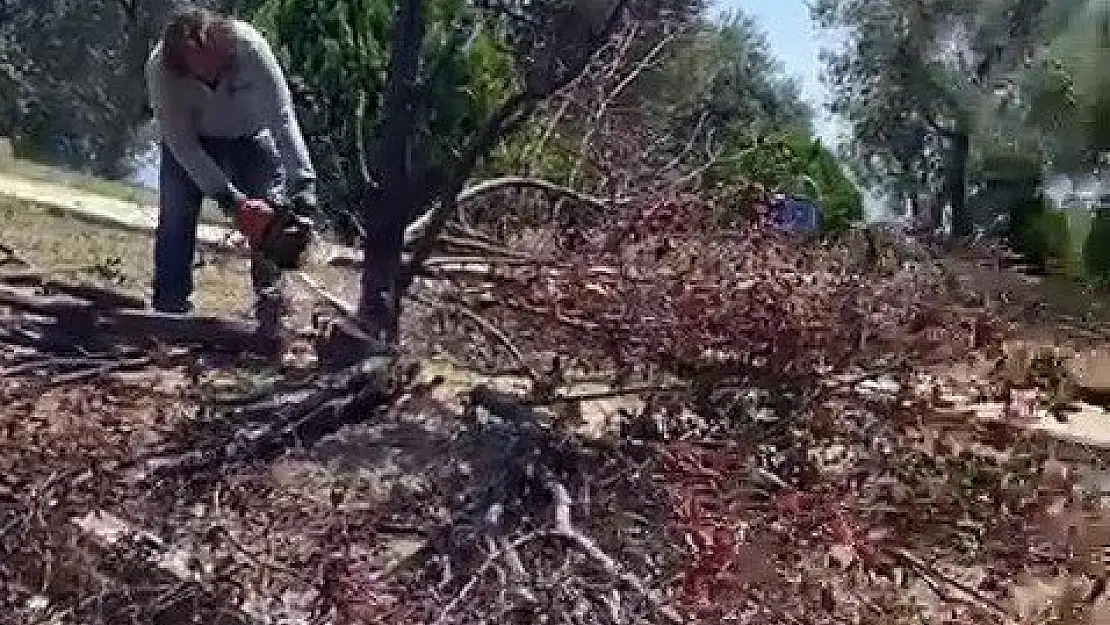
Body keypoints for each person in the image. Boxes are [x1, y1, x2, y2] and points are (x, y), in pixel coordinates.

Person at [145, 8, 317, 340]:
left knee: (274, 218)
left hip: (252, 137)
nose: (210, 69)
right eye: (198, 63)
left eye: (213, 57)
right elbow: (183, 146)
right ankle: (169, 315)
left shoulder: (251, 49)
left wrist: (304, 183)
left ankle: (271, 318)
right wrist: (231, 201)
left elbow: (282, 118)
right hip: (193, 143)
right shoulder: (160, 71)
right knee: (176, 220)